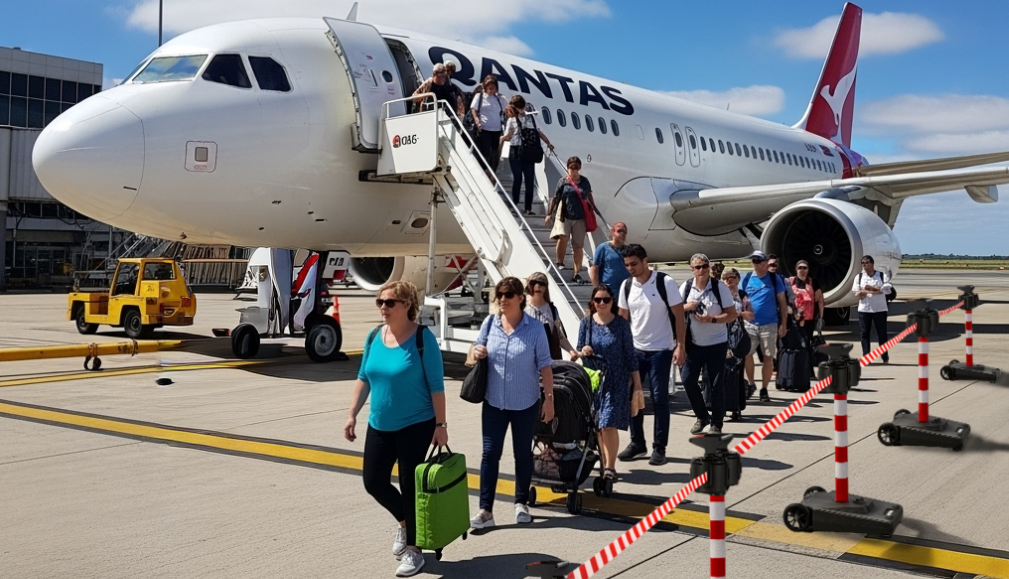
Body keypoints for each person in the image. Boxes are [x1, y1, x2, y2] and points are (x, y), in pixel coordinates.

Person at [344, 281, 446, 578]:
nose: (383, 308)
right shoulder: (375, 336)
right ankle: (404, 522)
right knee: (373, 481)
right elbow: (364, 377)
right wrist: (352, 414)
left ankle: (415, 551)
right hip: (380, 423)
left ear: (406, 306)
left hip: (416, 423)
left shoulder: (422, 339)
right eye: (380, 302)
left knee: (410, 486)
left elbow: (437, 387)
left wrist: (441, 425)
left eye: (389, 302)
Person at [470, 277, 555, 529]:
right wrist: (476, 352)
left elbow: (545, 366)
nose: (502, 300)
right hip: (494, 402)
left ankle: (521, 503)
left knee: (522, 454)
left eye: (508, 295)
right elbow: (475, 349)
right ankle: (486, 510)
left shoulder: (535, 328)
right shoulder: (490, 323)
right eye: (500, 295)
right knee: (489, 454)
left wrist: (549, 400)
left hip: (525, 402)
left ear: (521, 298)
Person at [615, 244, 686, 466]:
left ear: (645, 261)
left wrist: (681, 345)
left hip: (661, 351)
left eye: (634, 264)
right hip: (636, 350)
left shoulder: (665, 282)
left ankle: (659, 448)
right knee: (632, 397)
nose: (630, 269)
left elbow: (679, 317)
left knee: (659, 399)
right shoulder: (627, 286)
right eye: (627, 265)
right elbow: (623, 320)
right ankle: (638, 443)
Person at [577, 284, 642, 482]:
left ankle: (610, 467)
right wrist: (584, 351)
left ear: (612, 302)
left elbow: (630, 356)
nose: (602, 303)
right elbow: (579, 349)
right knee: (597, 426)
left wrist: (637, 385)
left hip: (616, 380)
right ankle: (604, 463)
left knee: (608, 424)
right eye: (598, 300)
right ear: (592, 302)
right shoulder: (586, 323)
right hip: (594, 381)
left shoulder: (621, 325)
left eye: (606, 299)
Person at [679, 254, 737, 435]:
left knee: (716, 385)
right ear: (692, 269)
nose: (702, 270)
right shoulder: (687, 287)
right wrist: (686, 307)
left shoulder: (719, 288)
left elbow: (732, 314)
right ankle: (702, 416)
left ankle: (717, 424)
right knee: (688, 380)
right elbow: (674, 310)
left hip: (716, 343)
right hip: (694, 343)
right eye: (697, 267)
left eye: (705, 266)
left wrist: (712, 319)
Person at [741, 251, 788, 403]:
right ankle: (751, 384)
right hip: (750, 324)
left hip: (770, 323)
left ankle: (764, 388)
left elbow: (782, 302)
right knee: (747, 354)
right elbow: (740, 298)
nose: (756, 263)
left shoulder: (774, 279)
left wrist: (784, 324)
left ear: (765, 262)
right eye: (754, 261)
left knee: (768, 357)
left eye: (758, 260)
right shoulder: (747, 278)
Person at [501, 95, 554, 216]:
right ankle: (514, 205)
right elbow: (507, 137)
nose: (520, 110)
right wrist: (506, 137)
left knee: (530, 181)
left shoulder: (530, 118)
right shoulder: (511, 120)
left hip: (528, 152)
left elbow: (538, 131)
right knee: (518, 179)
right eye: (518, 108)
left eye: (521, 107)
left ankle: (528, 208)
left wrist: (548, 143)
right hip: (515, 151)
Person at [546, 156, 595, 284]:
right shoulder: (563, 181)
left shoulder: (584, 181)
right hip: (565, 215)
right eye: (571, 167)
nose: (574, 170)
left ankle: (576, 272)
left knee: (578, 246)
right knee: (563, 237)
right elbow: (555, 197)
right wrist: (549, 214)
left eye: (576, 168)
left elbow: (589, 195)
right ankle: (560, 262)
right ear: (567, 168)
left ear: (579, 168)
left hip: (580, 217)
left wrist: (593, 208)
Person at [524, 272, 578, 360]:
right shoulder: (522, 309)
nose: (537, 286)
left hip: (549, 358)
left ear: (546, 287)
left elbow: (559, 335)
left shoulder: (552, 310)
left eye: (541, 283)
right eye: (534, 283)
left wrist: (571, 351)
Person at [853, 255, 892, 363]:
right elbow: (856, 291)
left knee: (882, 333)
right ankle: (866, 356)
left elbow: (887, 289)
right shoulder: (859, 277)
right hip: (864, 309)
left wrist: (871, 290)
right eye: (863, 263)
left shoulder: (881, 275)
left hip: (879, 309)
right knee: (865, 333)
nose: (864, 265)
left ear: (872, 264)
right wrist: (865, 292)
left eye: (867, 262)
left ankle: (885, 356)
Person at [470, 75, 507, 172]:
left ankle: (492, 170)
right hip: (484, 128)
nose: (491, 90)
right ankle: (484, 170)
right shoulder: (480, 96)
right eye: (489, 88)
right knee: (485, 151)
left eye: (493, 88)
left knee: (495, 151)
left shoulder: (500, 98)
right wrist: (476, 120)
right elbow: (473, 109)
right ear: (485, 87)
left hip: (496, 129)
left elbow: (507, 110)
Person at [790, 260, 825, 347]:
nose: (802, 270)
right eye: (800, 268)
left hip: (809, 319)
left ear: (808, 270)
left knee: (806, 341)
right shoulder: (790, 282)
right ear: (796, 269)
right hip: (794, 318)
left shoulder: (813, 283)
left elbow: (820, 301)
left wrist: (820, 318)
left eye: (804, 268)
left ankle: (807, 359)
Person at [589, 222, 630, 291]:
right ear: (612, 232)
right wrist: (596, 289)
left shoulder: (628, 249)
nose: (622, 234)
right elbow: (594, 268)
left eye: (624, 232)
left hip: (625, 290)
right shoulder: (603, 248)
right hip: (608, 290)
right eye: (619, 231)